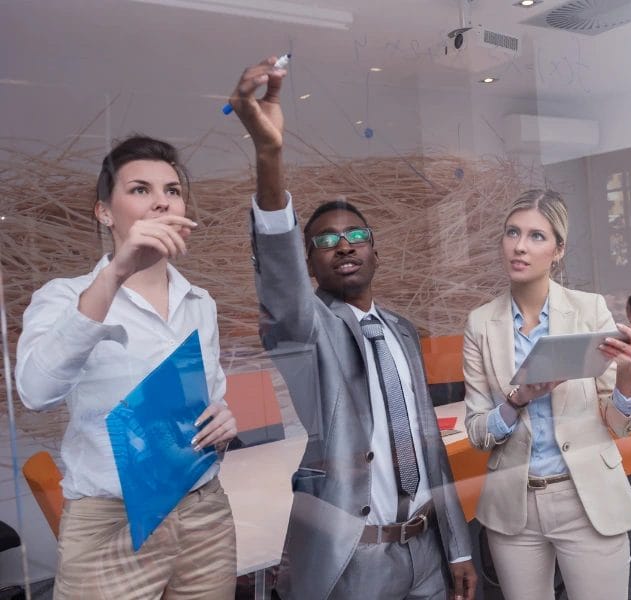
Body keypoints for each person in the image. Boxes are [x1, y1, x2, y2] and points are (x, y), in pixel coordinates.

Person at [228, 56, 477, 600]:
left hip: (428, 551)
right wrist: (269, 154)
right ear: (310, 264)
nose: (343, 245)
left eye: (356, 236)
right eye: (324, 241)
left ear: (375, 252)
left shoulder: (402, 331)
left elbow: (431, 450)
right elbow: (281, 285)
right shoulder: (309, 330)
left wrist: (458, 547)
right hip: (357, 560)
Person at [15, 136, 238, 599]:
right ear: (104, 212)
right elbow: (35, 392)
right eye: (140, 189)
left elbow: (209, 399)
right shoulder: (64, 296)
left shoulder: (200, 302)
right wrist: (115, 273)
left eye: (172, 190)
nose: (161, 201)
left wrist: (223, 419)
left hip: (203, 511)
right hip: (110, 523)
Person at [462, 189, 631, 600]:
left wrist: (628, 372)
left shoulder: (589, 310)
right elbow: (477, 432)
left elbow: (620, 426)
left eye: (536, 236)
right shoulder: (480, 324)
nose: (520, 246)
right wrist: (517, 399)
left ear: (558, 250)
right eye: (512, 232)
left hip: (587, 498)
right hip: (514, 507)